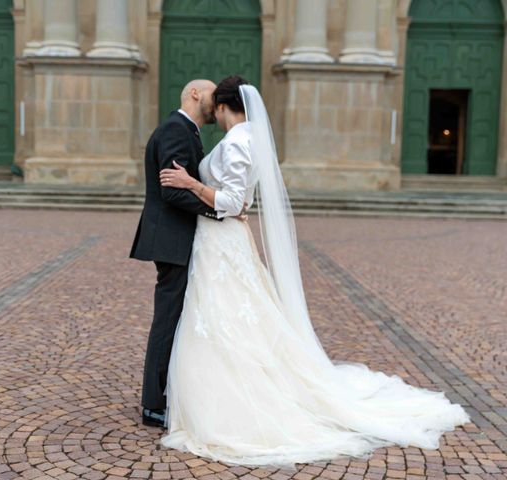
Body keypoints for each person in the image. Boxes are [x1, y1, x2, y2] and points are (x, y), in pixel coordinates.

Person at [156, 75, 470, 467]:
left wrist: (190, 182)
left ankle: (229, 400)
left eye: (215, 111)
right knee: (234, 314)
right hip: (223, 239)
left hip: (220, 240)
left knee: (223, 315)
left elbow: (232, 200)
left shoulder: (238, 142)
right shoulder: (252, 138)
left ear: (221, 107)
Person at [129, 79, 221, 428]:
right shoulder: (174, 129)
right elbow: (172, 190)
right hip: (170, 239)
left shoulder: (189, 131)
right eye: (213, 95)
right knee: (166, 321)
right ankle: (154, 404)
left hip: (177, 237)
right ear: (195, 93)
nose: (217, 103)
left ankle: (166, 392)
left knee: (174, 319)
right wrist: (219, 210)